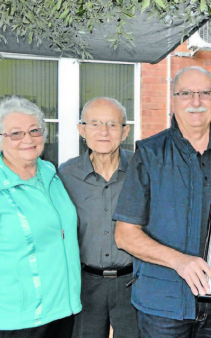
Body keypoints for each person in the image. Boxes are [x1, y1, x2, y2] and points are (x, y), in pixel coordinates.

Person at [113, 66, 211, 338]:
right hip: (163, 305)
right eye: (186, 94)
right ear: (173, 99)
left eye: (205, 93)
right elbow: (124, 235)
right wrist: (180, 261)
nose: (196, 102)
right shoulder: (150, 153)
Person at [0, 97, 81, 338]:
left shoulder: (50, 174)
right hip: (15, 324)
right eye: (16, 133)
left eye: (34, 130)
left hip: (62, 313)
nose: (28, 139)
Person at [58, 97, 137, 338]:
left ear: (125, 132)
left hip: (133, 283)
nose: (103, 132)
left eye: (112, 125)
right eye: (95, 124)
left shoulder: (141, 169)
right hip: (85, 284)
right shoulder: (65, 174)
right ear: (82, 129)